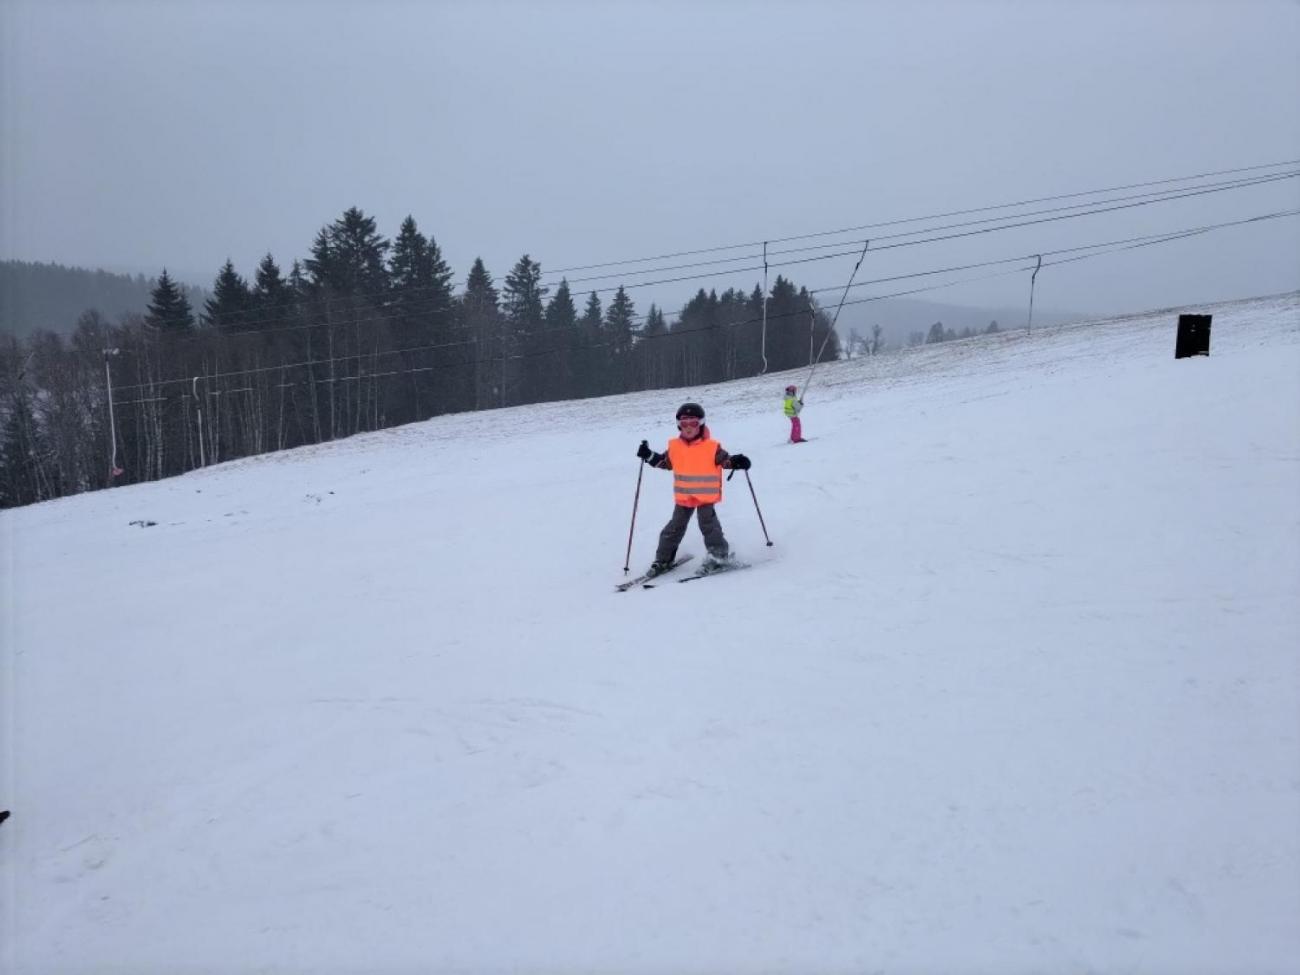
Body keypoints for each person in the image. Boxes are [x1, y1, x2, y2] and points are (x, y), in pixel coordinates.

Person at [636, 402, 751, 575]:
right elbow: (664, 463)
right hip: (684, 497)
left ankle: (719, 557)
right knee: (674, 527)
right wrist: (649, 455)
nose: (688, 427)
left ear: (701, 424)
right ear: (678, 425)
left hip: (705, 496)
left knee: (709, 526)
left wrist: (736, 461)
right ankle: (663, 560)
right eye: (684, 423)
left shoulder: (711, 447)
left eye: (693, 423)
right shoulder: (675, 447)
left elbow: (725, 460)